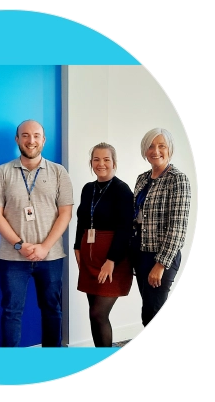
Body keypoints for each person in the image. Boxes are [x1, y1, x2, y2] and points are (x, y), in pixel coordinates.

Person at [0, 119, 74, 347]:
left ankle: (52, 364)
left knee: (52, 310)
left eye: (36, 135)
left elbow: (65, 213)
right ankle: (10, 368)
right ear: (17, 140)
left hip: (51, 256)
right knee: (11, 312)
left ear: (44, 140)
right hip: (12, 257)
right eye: (25, 135)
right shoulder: (2, 172)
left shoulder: (59, 172)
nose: (31, 140)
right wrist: (19, 245)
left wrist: (44, 247)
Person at [74, 142, 134, 347]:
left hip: (112, 260)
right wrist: (77, 247)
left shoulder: (122, 190)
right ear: (91, 162)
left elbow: (125, 228)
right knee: (94, 314)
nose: (101, 164)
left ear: (114, 163)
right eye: (96, 159)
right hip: (89, 258)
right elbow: (82, 221)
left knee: (98, 313)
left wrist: (111, 261)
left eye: (106, 159)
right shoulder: (88, 189)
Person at [131, 128, 191, 327]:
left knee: (154, 313)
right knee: (147, 309)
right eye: (150, 146)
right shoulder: (142, 179)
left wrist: (161, 264)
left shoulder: (177, 179)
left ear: (170, 150)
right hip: (141, 253)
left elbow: (178, 227)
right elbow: (136, 217)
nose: (155, 150)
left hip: (162, 256)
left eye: (161, 146)